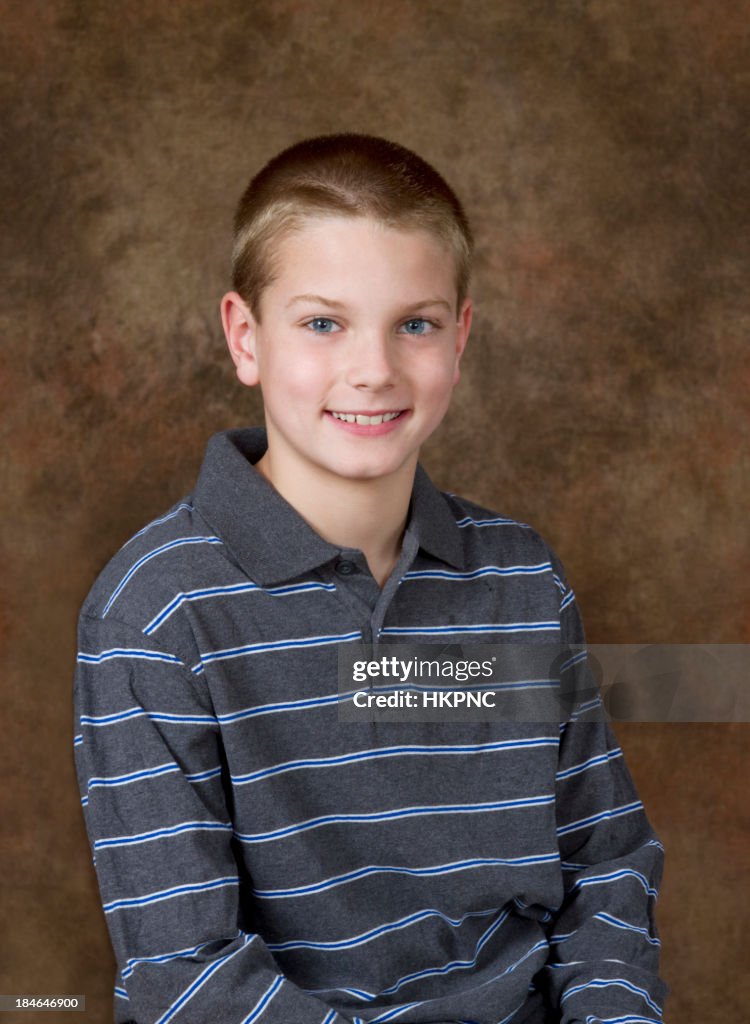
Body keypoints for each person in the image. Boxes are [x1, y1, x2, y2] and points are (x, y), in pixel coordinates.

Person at [73, 133, 668, 1024]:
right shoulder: (156, 613)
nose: (374, 369)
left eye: (415, 324)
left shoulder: (521, 579)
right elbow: (183, 975)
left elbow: (605, 863)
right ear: (245, 338)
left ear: (460, 338)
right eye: (323, 322)